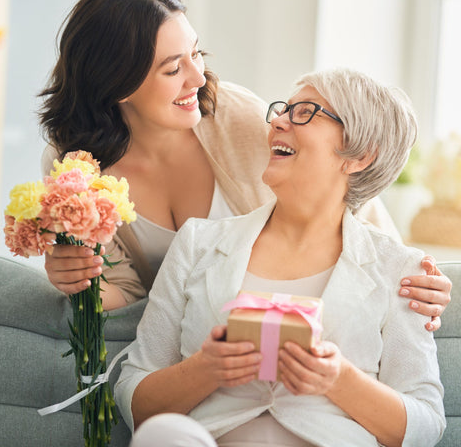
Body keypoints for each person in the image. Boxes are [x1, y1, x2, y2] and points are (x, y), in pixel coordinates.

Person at [40, 0, 451, 328]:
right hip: (194, 337)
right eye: (172, 69)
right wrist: (79, 280)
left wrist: (409, 278)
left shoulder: (234, 116)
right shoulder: (74, 169)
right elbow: (128, 293)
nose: (198, 77)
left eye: (195, 53)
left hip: (289, 319)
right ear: (118, 85)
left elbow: (342, 190)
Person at [114, 68, 445, 447]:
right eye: (282, 110)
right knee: (162, 435)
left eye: (305, 112)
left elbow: (426, 426)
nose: (277, 121)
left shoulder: (401, 269)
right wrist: (205, 370)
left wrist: (340, 380)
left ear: (360, 155)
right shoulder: (197, 243)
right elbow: (134, 397)